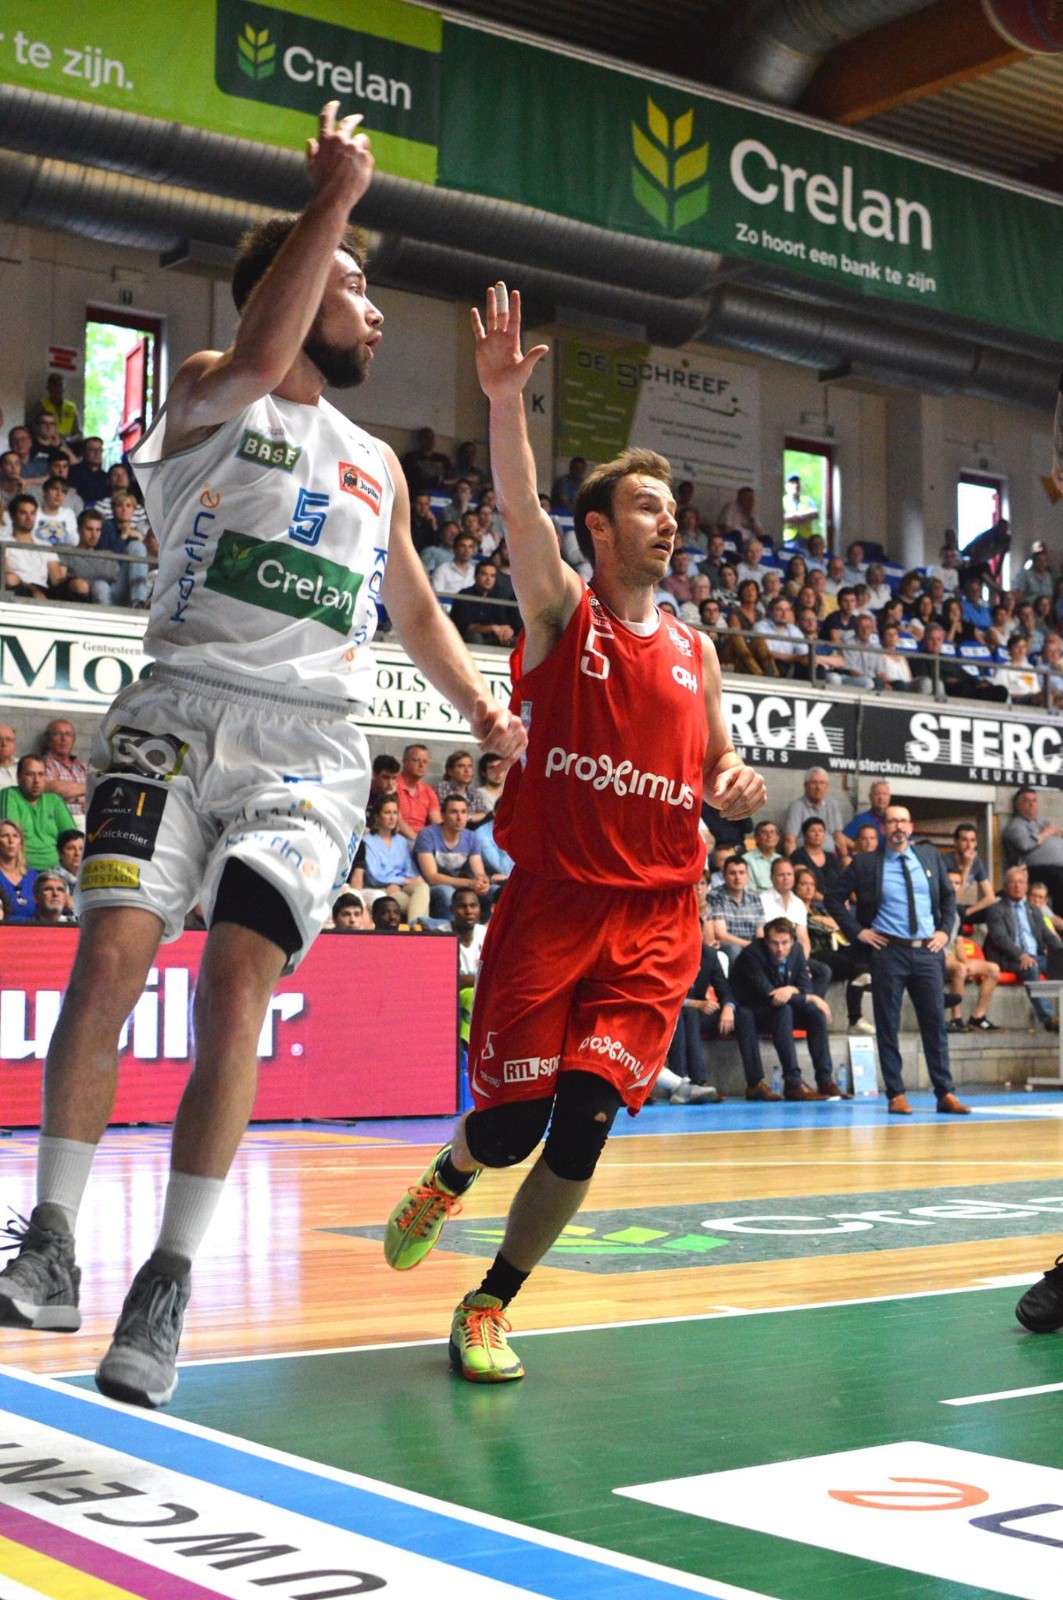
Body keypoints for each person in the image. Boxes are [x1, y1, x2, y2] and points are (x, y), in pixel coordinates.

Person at [0, 106, 524, 1409]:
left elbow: (414, 609)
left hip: (307, 749)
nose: (376, 313)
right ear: (290, 288)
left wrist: (479, 707)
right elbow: (261, 345)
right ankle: (51, 1240)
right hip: (174, 714)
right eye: (352, 288)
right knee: (110, 956)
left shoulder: (377, 465)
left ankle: (167, 1280)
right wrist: (331, 203)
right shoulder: (206, 393)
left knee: (238, 979)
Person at [383, 281, 763, 1383]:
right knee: (511, 1128)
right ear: (599, 527)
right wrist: (505, 400)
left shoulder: (697, 652)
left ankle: (489, 1302)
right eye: (647, 506)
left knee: (586, 1125)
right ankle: (454, 1168)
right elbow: (516, 515)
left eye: (672, 508)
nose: (668, 520)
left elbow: (718, 762)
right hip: (553, 905)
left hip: (656, 918)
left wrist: (734, 783)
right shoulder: (564, 614)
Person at [826, 805, 969, 1115]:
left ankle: (945, 1093)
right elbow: (833, 899)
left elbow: (948, 896)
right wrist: (858, 932)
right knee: (888, 1025)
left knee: (935, 1024)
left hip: (928, 951)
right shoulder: (865, 863)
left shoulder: (930, 857)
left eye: (903, 821)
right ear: (883, 828)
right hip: (889, 951)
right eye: (892, 821)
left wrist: (944, 931)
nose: (898, 826)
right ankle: (896, 1094)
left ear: (911, 826)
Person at [731, 918, 843, 1102]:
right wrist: (809, 997)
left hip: (781, 1007)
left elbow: (805, 986)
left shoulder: (797, 950)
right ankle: (793, 1082)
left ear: (792, 940)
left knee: (815, 1014)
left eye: (785, 943)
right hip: (753, 1010)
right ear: (766, 941)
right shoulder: (752, 954)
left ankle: (825, 1080)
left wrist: (792, 989)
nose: (780, 949)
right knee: (785, 1010)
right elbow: (770, 996)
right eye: (774, 943)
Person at [793, 865, 873, 1034]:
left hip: (831, 949)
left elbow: (839, 925)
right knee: (853, 968)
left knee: (860, 957)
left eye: (812, 884)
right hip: (813, 952)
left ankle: (856, 1018)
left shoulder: (819, 908)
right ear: (795, 886)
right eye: (803, 884)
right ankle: (855, 1017)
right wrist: (823, 921)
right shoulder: (793, 907)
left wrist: (826, 920)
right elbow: (810, 926)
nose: (808, 888)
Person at [983, 866, 1061, 1031]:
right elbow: (1000, 938)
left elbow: (1048, 936)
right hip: (1010, 958)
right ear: (1006, 887)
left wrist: (1061, 952)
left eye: (1021, 882)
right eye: (1013, 882)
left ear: (1026, 886)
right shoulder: (996, 910)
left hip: (1036, 956)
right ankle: (1049, 1019)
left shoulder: (1034, 910)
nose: (1017, 886)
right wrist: (1021, 955)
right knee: (1031, 967)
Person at [350, 794, 430, 925]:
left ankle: (413, 929)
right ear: (377, 816)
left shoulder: (401, 841)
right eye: (387, 813)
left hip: (401, 886)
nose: (392, 817)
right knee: (415, 904)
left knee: (423, 887)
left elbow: (410, 871)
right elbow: (374, 876)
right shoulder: (367, 841)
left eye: (395, 813)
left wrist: (407, 881)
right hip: (382, 888)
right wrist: (402, 881)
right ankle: (416, 929)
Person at [415, 793, 490, 919]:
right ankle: (452, 929)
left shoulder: (472, 837)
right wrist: (469, 883)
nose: (460, 817)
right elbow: (432, 877)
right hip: (431, 887)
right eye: (454, 812)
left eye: (464, 812)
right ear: (443, 815)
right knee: (448, 893)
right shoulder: (427, 835)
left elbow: (479, 872)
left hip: (461, 885)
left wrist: (483, 882)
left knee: (493, 891)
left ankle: (486, 930)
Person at [0, 755, 76, 868]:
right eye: (30, 774)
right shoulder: (9, 795)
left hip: (56, 870)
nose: (36, 781)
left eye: (41, 774)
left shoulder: (54, 800)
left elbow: (72, 838)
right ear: (18, 778)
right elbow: (9, 838)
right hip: (22, 868)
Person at [1002, 787, 1063, 910]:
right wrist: (1046, 833)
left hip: (1057, 868)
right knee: (1059, 878)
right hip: (1034, 869)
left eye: (1034, 800)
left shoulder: (1042, 821)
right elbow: (1024, 845)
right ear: (1018, 805)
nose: (1031, 804)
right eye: (1027, 801)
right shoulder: (1016, 825)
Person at [781, 768, 848, 858]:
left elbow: (838, 836)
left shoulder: (832, 804)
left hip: (829, 857)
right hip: (806, 857)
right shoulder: (797, 807)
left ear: (827, 786)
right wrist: (793, 862)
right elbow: (789, 840)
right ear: (805, 786)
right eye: (814, 783)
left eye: (822, 783)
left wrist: (845, 857)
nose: (818, 787)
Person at [707, 854, 765, 954]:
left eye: (741, 873)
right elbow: (721, 935)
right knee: (734, 949)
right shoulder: (715, 896)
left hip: (751, 949)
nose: (738, 877)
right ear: (724, 876)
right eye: (732, 873)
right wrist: (751, 947)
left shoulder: (755, 898)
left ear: (747, 876)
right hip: (727, 948)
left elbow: (760, 934)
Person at [942, 823, 995, 923]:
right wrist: (967, 867)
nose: (969, 845)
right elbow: (955, 897)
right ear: (956, 842)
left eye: (972, 840)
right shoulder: (945, 862)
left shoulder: (976, 862)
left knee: (994, 911)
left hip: (960, 909)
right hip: (945, 906)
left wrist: (967, 912)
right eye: (964, 840)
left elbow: (990, 897)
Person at [41, 719, 88, 825]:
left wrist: (71, 796)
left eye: (68, 735)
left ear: (73, 740)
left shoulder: (83, 767)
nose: (64, 739)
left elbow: (99, 794)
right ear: (48, 740)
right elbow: (54, 790)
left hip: (90, 820)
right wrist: (88, 789)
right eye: (58, 734)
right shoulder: (42, 765)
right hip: (61, 821)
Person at [395, 742, 442, 843]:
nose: (421, 765)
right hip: (398, 838)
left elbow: (436, 823)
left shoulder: (428, 791)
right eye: (416, 760)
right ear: (404, 761)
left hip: (423, 839)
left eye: (425, 762)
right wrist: (419, 842)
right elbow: (398, 821)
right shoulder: (393, 787)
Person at [0, 817, 38, 919]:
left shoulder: (33, 876)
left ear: (20, 843)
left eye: (15, 836)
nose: (11, 841)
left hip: (32, 928)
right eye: (5, 836)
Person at [843, 781, 891, 850]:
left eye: (884, 794)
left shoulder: (895, 819)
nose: (881, 798)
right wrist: (857, 849)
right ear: (870, 797)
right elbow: (842, 837)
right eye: (877, 794)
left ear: (889, 797)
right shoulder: (861, 819)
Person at [742, 818, 780, 892]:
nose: (769, 836)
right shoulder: (746, 860)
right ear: (756, 838)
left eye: (772, 832)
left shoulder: (781, 860)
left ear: (777, 838)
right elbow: (749, 890)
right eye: (764, 833)